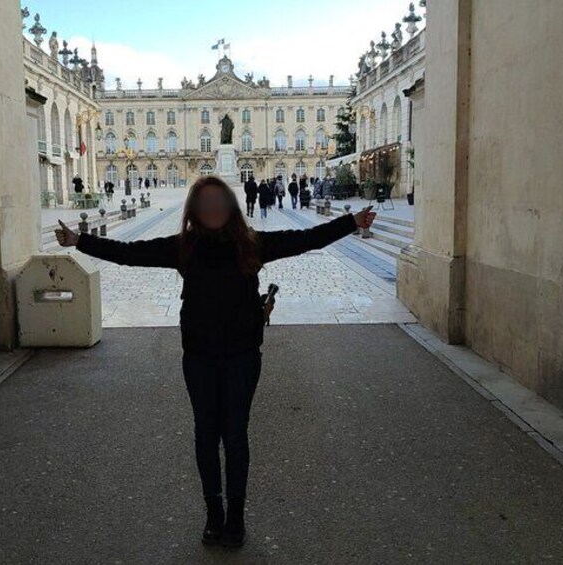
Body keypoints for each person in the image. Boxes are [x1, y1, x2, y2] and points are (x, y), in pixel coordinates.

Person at [55, 175, 376, 548]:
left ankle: (236, 515)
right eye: (204, 202)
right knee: (206, 435)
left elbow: (305, 240)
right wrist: (81, 241)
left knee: (235, 435)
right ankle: (213, 512)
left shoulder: (251, 244)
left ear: (230, 206)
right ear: (194, 210)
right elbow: (130, 253)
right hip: (200, 357)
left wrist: (351, 223)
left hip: (242, 355)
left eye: (218, 201)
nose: (212, 209)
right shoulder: (183, 248)